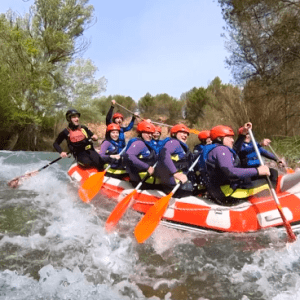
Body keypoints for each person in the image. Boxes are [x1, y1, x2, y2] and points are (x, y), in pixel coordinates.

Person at [199, 124, 272, 206]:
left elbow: (235, 149)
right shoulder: (221, 150)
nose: (232, 140)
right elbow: (230, 172)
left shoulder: (213, 149)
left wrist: (242, 134)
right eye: (229, 137)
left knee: (252, 180)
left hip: (217, 191)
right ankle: (268, 208)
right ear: (220, 138)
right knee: (268, 182)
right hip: (227, 193)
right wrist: (258, 171)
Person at [155, 123, 197, 198]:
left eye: (186, 134)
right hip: (174, 183)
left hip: (174, 181)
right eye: (182, 133)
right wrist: (175, 173)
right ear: (174, 134)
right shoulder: (174, 143)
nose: (185, 135)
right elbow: (164, 154)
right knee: (194, 190)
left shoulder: (181, 147)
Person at [123, 120, 159, 188]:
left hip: (147, 176)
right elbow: (129, 156)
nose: (150, 135)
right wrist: (147, 167)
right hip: (140, 179)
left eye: (151, 133)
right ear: (141, 132)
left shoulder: (149, 143)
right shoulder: (138, 143)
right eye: (147, 133)